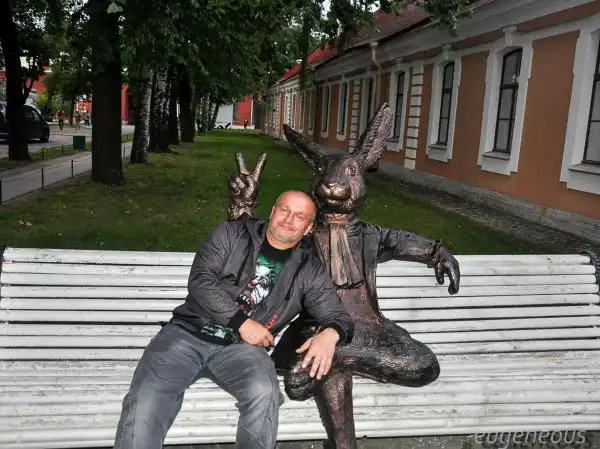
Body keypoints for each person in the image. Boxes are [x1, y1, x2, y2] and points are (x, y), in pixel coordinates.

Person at [113, 190, 354, 449]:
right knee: (147, 399)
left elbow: (338, 315)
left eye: (299, 216)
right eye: (284, 210)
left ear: (308, 228)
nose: (288, 219)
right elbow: (201, 281)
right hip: (186, 335)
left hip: (243, 350)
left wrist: (330, 334)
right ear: (273, 211)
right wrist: (241, 322)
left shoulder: (308, 268)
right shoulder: (232, 234)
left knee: (265, 393)